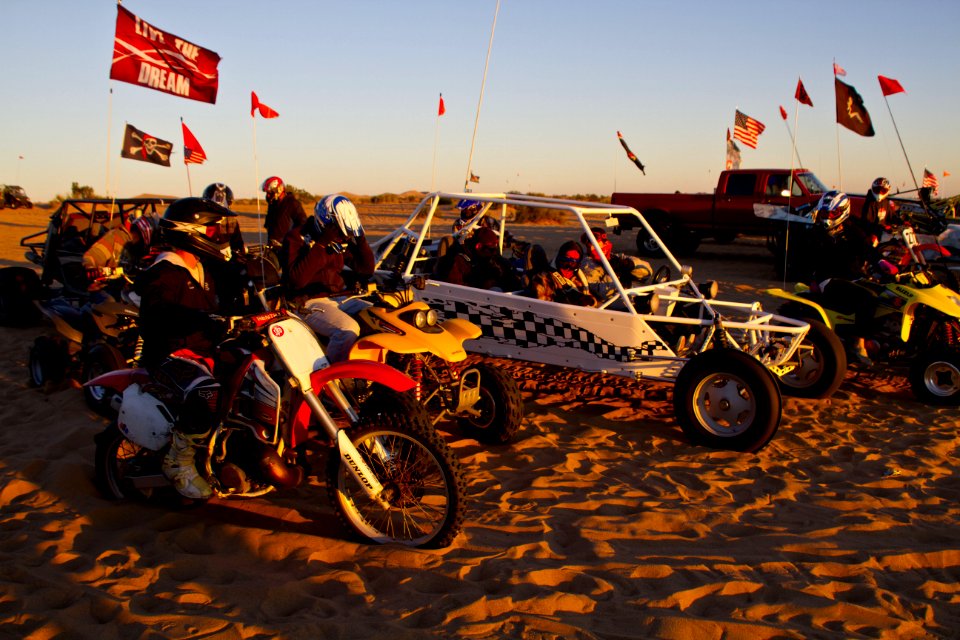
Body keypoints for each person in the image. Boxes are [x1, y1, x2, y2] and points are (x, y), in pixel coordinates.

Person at [135, 197, 240, 499]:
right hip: (169, 356)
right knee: (206, 391)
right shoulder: (165, 271)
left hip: (203, 350)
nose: (218, 236)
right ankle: (177, 461)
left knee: (255, 367)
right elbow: (158, 313)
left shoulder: (203, 268)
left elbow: (231, 297)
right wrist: (203, 318)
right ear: (190, 232)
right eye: (211, 230)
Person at [281, 194, 375, 362]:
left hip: (340, 298)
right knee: (347, 329)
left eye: (346, 235)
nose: (343, 238)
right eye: (340, 233)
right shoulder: (297, 238)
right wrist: (321, 245)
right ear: (326, 224)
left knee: (378, 316)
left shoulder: (339, 240)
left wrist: (360, 240)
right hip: (307, 302)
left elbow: (366, 270)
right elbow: (297, 280)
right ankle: (333, 379)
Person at [810, 190, 894, 365]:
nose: (827, 217)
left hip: (854, 277)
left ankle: (882, 339)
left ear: (843, 212)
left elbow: (867, 249)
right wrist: (813, 279)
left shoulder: (852, 229)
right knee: (867, 299)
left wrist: (882, 262)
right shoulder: (817, 233)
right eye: (825, 213)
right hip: (828, 280)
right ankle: (857, 344)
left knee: (888, 295)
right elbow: (807, 259)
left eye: (832, 213)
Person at [82, 212, 157, 288]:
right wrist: (95, 271)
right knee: (108, 299)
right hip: (110, 291)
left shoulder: (144, 249)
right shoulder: (115, 238)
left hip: (133, 291)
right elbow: (90, 257)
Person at [433, 226, 520, 291]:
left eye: (495, 249)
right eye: (491, 249)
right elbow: (453, 288)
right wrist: (482, 285)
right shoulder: (459, 260)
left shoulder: (488, 257)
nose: (494, 252)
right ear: (479, 246)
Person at [579, 226, 652, 299]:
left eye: (598, 243)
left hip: (626, 294)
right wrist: (616, 275)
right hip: (610, 304)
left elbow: (648, 272)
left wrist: (628, 264)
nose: (592, 248)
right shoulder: (588, 264)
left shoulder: (613, 257)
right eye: (592, 244)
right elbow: (600, 292)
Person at [526, 241, 597, 306]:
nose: (568, 267)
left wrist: (590, 301)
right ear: (559, 259)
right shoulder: (544, 278)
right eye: (565, 261)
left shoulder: (579, 277)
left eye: (573, 263)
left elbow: (592, 299)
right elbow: (542, 306)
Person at [262, 176, 307, 246]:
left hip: (287, 248)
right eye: (267, 193)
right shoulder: (273, 205)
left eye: (270, 193)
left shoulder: (292, 203)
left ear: (279, 190)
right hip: (272, 247)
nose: (267, 196)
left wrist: (291, 240)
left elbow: (303, 224)